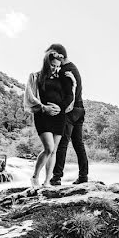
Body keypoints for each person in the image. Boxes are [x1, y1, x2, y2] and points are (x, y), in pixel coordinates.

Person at [24, 51, 75, 187]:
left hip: (59, 117)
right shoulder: (36, 77)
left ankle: (47, 181)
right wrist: (43, 107)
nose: (55, 68)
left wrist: (61, 107)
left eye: (57, 66)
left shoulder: (61, 78)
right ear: (46, 62)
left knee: (54, 150)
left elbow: (69, 95)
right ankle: (35, 177)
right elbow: (30, 96)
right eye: (52, 65)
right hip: (43, 115)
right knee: (49, 148)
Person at [47, 44, 89, 185]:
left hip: (70, 111)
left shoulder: (65, 71)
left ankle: (57, 177)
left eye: (53, 55)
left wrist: (60, 109)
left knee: (62, 144)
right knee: (78, 144)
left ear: (60, 56)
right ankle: (83, 176)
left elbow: (69, 95)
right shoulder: (73, 67)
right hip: (80, 109)